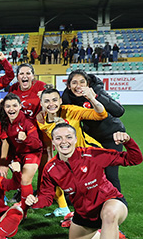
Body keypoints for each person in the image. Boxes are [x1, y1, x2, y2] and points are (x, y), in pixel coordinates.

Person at [26, 124, 143, 239]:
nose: (64, 142)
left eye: (68, 137)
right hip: (84, 213)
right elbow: (47, 198)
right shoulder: (50, 169)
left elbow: (134, 159)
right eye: (58, 138)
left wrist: (128, 141)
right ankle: (107, 232)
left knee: (109, 215)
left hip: (110, 202)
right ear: (53, 142)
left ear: (75, 139)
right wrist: (33, 202)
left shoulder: (92, 154)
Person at [36, 87, 107, 217]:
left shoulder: (71, 111)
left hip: (89, 155)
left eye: (54, 100)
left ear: (60, 101)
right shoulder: (41, 121)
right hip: (68, 158)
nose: (51, 104)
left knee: (93, 192)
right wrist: (51, 162)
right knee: (53, 176)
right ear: (41, 104)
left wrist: (92, 98)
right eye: (47, 101)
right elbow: (49, 143)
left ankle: (106, 222)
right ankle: (64, 209)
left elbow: (101, 114)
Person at [60, 70, 126, 191]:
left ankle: (118, 201)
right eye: (74, 83)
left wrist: (95, 97)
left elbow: (119, 111)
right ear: (69, 86)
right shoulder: (67, 97)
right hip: (91, 139)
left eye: (82, 82)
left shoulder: (97, 91)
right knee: (90, 172)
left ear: (88, 84)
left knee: (111, 173)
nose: (78, 86)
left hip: (112, 136)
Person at [0, 93, 43, 213]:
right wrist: (3, 161)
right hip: (17, 154)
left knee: (25, 180)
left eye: (14, 105)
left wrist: (26, 139)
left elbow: (37, 144)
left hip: (32, 153)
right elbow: (6, 141)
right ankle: (3, 202)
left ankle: (24, 210)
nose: (11, 109)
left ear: (20, 106)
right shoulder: (5, 121)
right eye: (8, 106)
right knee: (6, 176)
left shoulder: (27, 122)